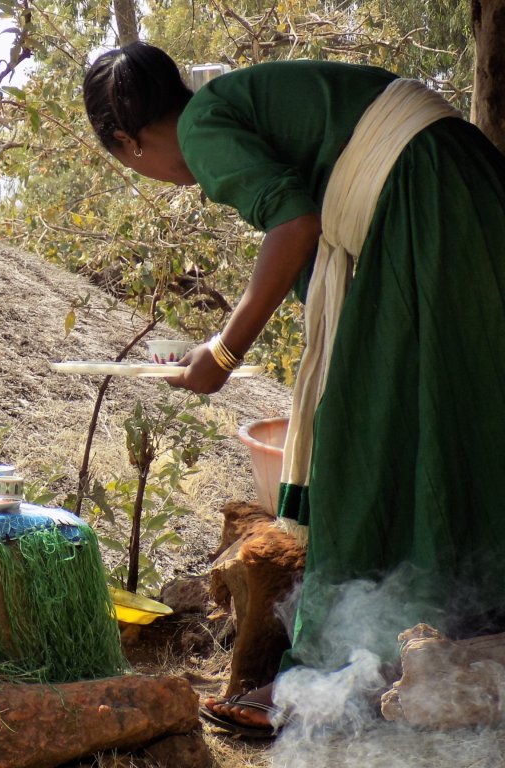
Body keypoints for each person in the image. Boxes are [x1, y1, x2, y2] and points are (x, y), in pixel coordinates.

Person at [84, 42, 505, 736]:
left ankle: (346, 672)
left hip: (427, 198)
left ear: (129, 143)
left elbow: (297, 223)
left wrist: (222, 351)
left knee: (366, 433)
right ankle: (458, 633)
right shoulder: (232, 101)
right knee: (456, 411)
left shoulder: (201, 125)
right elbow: (314, 246)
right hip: (456, 183)